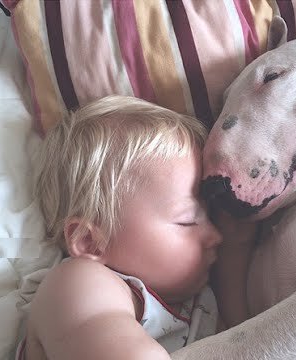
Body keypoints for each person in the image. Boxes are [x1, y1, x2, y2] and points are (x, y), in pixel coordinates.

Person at [16, 95, 224, 360]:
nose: (216, 236)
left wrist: (242, 241)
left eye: (213, 216)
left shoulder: (195, 298)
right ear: (90, 241)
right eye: (188, 220)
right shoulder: (78, 284)